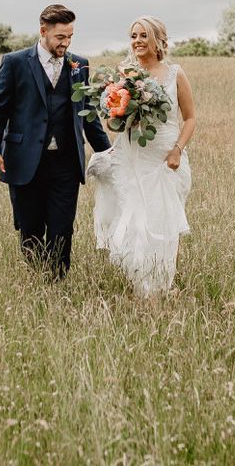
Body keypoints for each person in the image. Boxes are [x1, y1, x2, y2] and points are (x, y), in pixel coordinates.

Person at [0, 4, 110, 279]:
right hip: (24, 161)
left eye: (70, 37)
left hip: (65, 162)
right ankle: (38, 278)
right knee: (30, 227)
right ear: (43, 32)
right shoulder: (15, 62)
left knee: (62, 228)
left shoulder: (80, 65)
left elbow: (89, 116)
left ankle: (57, 283)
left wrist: (109, 154)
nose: (65, 43)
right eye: (60, 37)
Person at [88, 16, 195, 297]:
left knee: (162, 223)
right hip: (133, 157)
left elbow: (191, 118)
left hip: (165, 160)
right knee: (135, 222)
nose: (137, 41)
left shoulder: (175, 74)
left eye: (143, 35)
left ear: (157, 40)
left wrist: (178, 150)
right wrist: (120, 117)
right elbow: (114, 122)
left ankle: (161, 285)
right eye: (134, 36)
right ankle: (141, 286)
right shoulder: (124, 77)